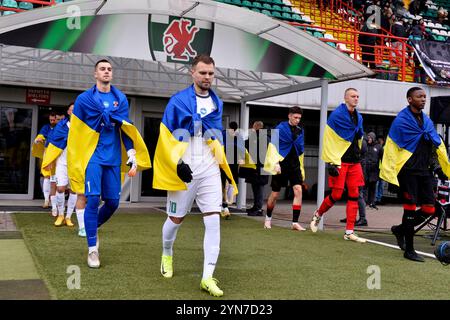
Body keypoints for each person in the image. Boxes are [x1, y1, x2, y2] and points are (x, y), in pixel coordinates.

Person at [153, 54, 237, 297]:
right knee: (175, 219)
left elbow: (213, 133)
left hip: (208, 164)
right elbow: (166, 135)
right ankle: (167, 253)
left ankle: (207, 277)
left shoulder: (216, 102)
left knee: (213, 219)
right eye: (202, 73)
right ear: (192, 73)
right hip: (184, 163)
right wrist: (177, 162)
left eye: (211, 73)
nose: (207, 77)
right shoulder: (177, 101)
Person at [67, 59, 151, 268]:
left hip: (113, 158)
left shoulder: (120, 99)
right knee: (93, 199)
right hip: (92, 157)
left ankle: (91, 229)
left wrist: (131, 151)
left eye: (109, 69)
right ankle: (92, 249)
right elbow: (77, 131)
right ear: (95, 74)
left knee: (113, 203)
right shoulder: (84, 99)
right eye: (102, 69)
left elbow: (125, 127)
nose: (106, 72)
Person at [380, 87, 450, 262]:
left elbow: (433, 145)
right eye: (419, 96)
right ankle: (409, 250)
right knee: (409, 208)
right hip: (407, 172)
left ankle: (400, 230)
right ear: (410, 99)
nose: (423, 99)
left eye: (425, 97)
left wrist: (438, 168)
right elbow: (391, 148)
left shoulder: (427, 121)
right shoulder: (401, 121)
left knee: (430, 209)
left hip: (425, 172)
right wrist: (391, 174)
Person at [310, 88, 366, 243]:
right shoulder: (336, 115)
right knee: (336, 194)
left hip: (355, 161)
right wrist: (330, 162)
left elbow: (359, 135)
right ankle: (318, 214)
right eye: (353, 96)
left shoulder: (358, 116)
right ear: (345, 98)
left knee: (354, 194)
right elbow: (329, 139)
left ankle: (349, 232)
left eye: (357, 96)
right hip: (339, 160)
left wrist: (362, 152)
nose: (356, 98)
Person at [41, 103, 85, 235]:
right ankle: (60, 214)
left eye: (75, 109)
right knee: (60, 188)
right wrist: (50, 160)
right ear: (68, 112)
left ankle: (68, 217)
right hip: (61, 162)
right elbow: (52, 142)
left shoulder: (83, 126)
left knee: (74, 190)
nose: (73, 111)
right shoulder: (61, 125)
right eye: (71, 109)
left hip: (76, 163)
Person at [263, 106, 306, 231]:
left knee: (298, 190)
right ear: (289, 116)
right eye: (295, 117)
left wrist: (301, 168)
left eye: (299, 118)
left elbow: (300, 149)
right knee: (275, 194)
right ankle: (268, 219)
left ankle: (295, 223)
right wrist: (275, 163)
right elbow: (273, 146)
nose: (297, 120)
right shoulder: (280, 128)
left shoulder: (300, 130)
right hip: (281, 164)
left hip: (295, 165)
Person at [32, 112, 58, 209]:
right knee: (46, 176)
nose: (52, 121)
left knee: (58, 178)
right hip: (48, 153)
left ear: (57, 119)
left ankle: (57, 203)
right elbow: (41, 135)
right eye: (50, 120)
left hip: (60, 154)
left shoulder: (62, 127)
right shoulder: (46, 127)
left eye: (53, 120)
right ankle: (46, 200)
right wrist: (38, 139)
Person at [220, 121, 245, 219]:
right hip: (224, 163)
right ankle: (224, 206)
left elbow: (242, 149)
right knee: (224, 183)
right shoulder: (223, 134)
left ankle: (226, 205)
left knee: (231, 184)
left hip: (233, 163)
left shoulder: (238, 136)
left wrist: (241, 158)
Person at [245, 121, 269, 216]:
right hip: (262, 166)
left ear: (256, 127)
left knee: (258, 188)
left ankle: (258, 208)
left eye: (253, 127)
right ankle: (256, 206)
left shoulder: (258, 138)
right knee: (257, 187)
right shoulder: (266, 138)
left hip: (258, 166)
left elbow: (247, 146)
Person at [364, 131, 383, 209]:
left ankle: (372, 202)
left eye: (370, 137)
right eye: (368, 137)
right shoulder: (365, 145)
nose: (368, 139)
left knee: (373, 187)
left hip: (374, 171)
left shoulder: (378, 147)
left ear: (373, 138)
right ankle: (364, 203)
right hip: (365, 170)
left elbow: (383, 158)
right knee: (364, 187)